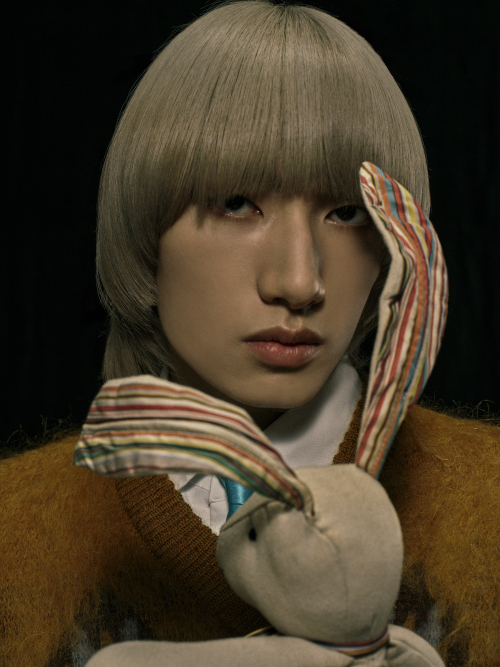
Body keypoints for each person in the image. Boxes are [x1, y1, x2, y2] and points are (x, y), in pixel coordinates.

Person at [1, 1, 498, 666]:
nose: (298, 281)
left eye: (348, 212)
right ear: (146, 235)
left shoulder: (491, 504)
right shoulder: (11, 535)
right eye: (237, 202)